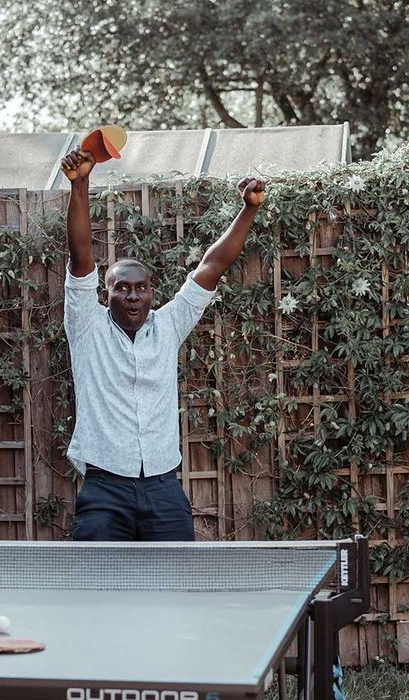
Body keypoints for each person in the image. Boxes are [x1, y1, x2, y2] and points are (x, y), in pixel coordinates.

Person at [60, 147, 265, 542]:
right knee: (96, 597)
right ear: (106, 295)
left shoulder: (169, 326)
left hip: (163, 488)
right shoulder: (87, 327)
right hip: (105, 489)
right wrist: (80, 184)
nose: (133, 296)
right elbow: (80, 254)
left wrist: (249, 210)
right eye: (122, 289)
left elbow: (212, 266)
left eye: (140, 288)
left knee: (175, 594)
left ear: (152, 293)